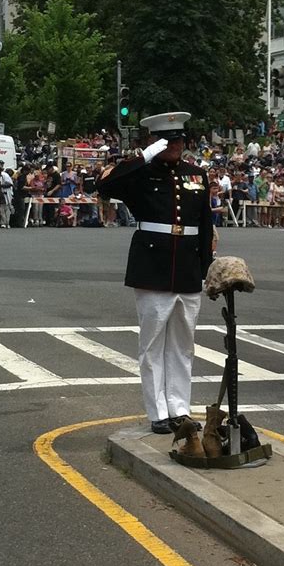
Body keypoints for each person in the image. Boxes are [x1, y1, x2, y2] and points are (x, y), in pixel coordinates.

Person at [97, 111, 213, 435]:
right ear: (153, 141)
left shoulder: (196, 175)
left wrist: (207, 269)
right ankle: (158, 411)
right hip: (153, 267)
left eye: (178, 139)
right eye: (166, 140)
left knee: (182, 345)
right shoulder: (140, 175)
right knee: (152, 345)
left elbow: (205, 224)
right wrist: (142, 157)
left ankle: (180, 408)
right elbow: (105, 185)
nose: (175, 145)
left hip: (188, 267)